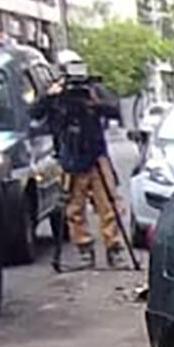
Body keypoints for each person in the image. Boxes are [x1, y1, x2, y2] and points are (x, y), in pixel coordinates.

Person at [35, 51, 127, 269]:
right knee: (74, 207)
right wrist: (50, 96)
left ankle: (114, 248)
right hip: (70, 156)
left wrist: (95, 103)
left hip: (96, 153)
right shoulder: (57, 93)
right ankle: (84, 248)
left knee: (109, 203)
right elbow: (35, 113)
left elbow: (115, 110)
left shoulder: (92, 90)